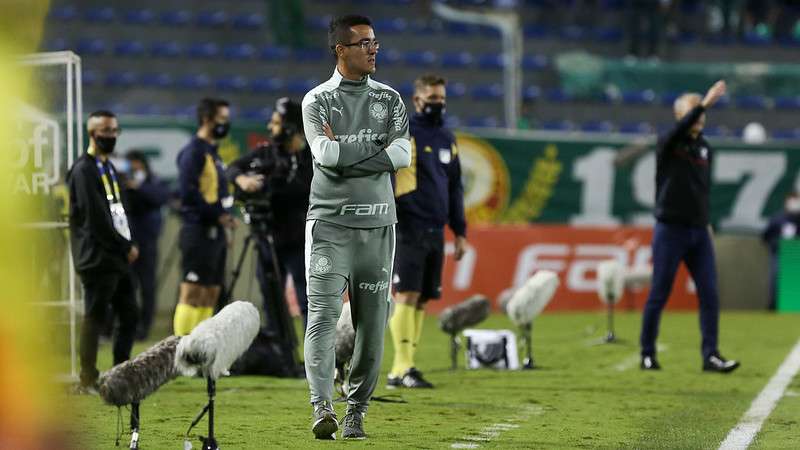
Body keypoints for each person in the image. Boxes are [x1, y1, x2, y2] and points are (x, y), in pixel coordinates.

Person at [301, 14, 411, 440]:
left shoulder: (391, 98)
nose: (373, 48)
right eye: (364, 43)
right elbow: (325, 155)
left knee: (372, 326)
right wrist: (375, 146)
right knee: (322, 319)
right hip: (329, 225)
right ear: (340, 50)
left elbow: (401, 156)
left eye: (375, 41)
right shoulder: (317, 100)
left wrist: (348, 150)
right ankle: (321, 405)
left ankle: (356, 411)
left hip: (380, 227)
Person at [639, 80, 740, 373]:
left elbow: (701, 190)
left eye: (702, 112)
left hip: (698, 231)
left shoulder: (705, 148)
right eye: (693, 112)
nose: (700, 117)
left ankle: (711, 355)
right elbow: (679, 130)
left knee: (709, 292)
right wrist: (705, 102)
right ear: (680, 116)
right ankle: (647, 353)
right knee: (659, 293)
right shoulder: (668, 143)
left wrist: (706, 224)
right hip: (670, 230)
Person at [387, 74, 467, 389]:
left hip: (436, 229)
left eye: (442, 100)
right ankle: (401, 368)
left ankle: (407, 366)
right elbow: (390, 178)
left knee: (422, 299)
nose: (438, 105)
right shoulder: (404, 134)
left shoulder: (447, 138)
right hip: (408, 226)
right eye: (432, 99)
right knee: (407, 293)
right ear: (417, 100)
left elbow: (456, 187)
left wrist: (459, 231)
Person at [226, 97, 313, 335]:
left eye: (275, 123)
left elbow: (298, 189)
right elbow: (232, 168)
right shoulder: (266, 153)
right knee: (271, 298)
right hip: (267, 236)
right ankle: (281, 352)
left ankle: (314, 357)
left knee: (308, 299)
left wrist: (268, 186)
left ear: (289, 127)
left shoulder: (311, 158)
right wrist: (243, 179)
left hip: (299, 238)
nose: (270, 128)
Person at [67, 110, 138, 392]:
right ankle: (87, 378)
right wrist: (125, 245)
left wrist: (127, 243)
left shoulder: (108, 166)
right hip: (97, 256)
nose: (110, 136)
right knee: (95, 317)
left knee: (130, 314)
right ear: (92, 133)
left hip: (115, 254)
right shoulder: (83, 169)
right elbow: (95, 218)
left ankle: (120, 373)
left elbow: (117, 211)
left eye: (114, 130)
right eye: (105, 131)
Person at [173, 98, 235, 336]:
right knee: (192, 291)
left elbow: (218, 194)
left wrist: (224, 220)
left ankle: (199, 350)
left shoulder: (213, 153)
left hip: (215, 232)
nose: (225, 124)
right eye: (222, 119)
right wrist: (218, 215)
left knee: (211, 292)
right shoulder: (193, 152)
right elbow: (188, 195)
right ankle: (179, 349)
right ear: (207, 119)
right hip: (197, 230)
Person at [123, 150, 169, 340]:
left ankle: (145, 328)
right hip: (128, 241)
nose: (134, 167)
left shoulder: (152, 181)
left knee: (148, 287)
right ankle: (128, 325)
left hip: (148, 241)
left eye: (136, 163)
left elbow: (160, 197)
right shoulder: (122, 181)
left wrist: (138, 187)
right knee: (128, 287)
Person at [761, 191, 800, 310]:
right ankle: (773, 304)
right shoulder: (777, 218)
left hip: (796, 254)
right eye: (792, 200)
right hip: (778, 253)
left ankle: (794, 306)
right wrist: (776, 243)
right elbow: (765, 236)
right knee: (775, 277)